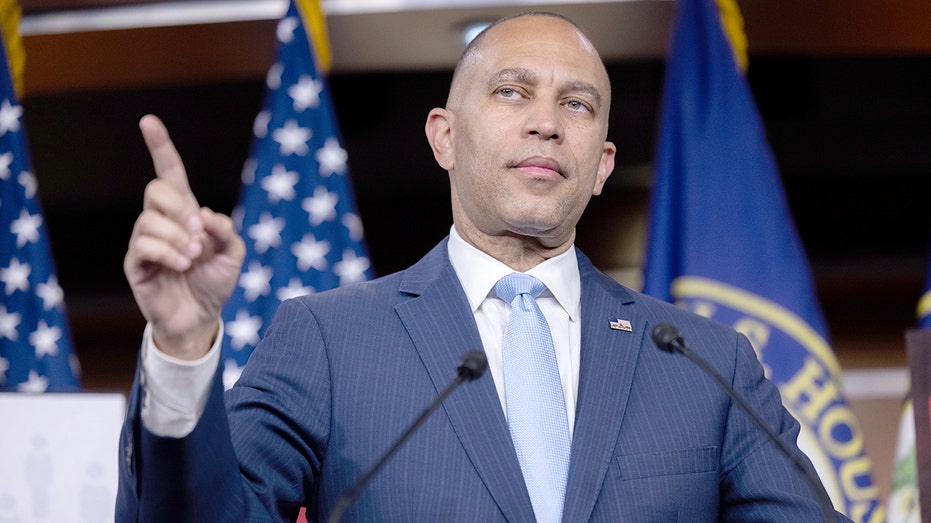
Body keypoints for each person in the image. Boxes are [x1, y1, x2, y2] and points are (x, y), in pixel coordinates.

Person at [116, 12, 850, 522]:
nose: (546, 122)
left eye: (577, 104)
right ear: (444, 137)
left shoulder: (708, 362)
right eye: (511, 92)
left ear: (601, 165)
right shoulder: (328, 340)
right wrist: (181, 346)